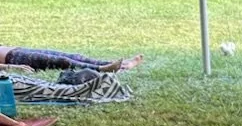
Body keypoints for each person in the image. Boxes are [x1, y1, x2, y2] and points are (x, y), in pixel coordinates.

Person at [0, 44, 143, 73]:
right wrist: (10, 67)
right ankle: (101, 69)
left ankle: (123, 65)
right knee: (62, 62)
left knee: (72, 56)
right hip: (13, 58)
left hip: (16, 50)